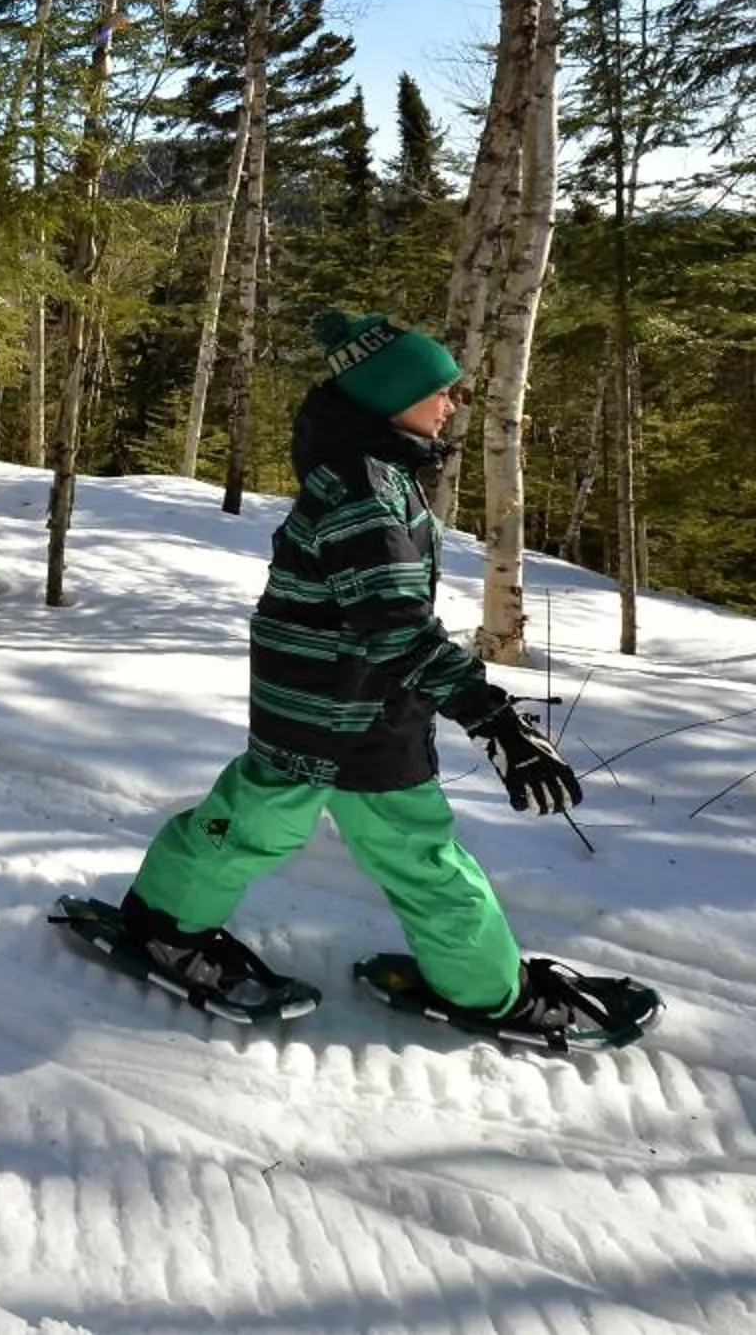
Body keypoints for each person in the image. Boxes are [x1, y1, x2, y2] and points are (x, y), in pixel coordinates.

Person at [114, 308, 595, 1037]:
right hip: (343, 711)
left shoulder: (373, 475)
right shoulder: (368, 493)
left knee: (263, 822)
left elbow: (383, 622)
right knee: (411, 853)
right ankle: (486, 990)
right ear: (388, 398)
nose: (453, 402)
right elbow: (394, 624)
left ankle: (164, 920)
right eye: (442, 389)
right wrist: (492, 718)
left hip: (337, 704)